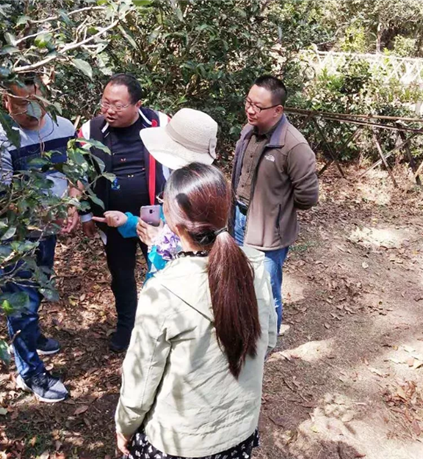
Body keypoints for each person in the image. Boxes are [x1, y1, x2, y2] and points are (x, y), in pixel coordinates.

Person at [115, 163, 277, 458]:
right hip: (239, 430)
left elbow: (141, 381)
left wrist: (125, 425)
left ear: (173, 224)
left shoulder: (164, 289)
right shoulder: (256, 267)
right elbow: (269, 339)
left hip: (180, 441)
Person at [0, 78, 75, 402]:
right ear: (6, 103)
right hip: (15, 237)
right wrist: (43, 214)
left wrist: (72, 203)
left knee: (38, 287)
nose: (32, 110)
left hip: (48, 232)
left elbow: (74, 172)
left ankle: (31, 338)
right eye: (22, 104)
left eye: (37, 101)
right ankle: (30, 371)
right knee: (21, 303)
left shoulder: (64, 127)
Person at [76, 74, 169, 353]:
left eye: (118, 105)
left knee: (161, 269)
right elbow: (80, 173)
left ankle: (160, 327)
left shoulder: (160, 124)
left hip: (154, 218)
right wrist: (84, 214)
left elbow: (178, 164)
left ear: (137, 104)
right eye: (105, 103)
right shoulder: (91, 130)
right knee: (121, 274)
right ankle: (127, 327)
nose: (109, 110)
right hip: (112, 220)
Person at [231, 75, 319, 333]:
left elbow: (308, 196)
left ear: (278, 110)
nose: (250, 110)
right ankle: (244, 332)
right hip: (238, 219)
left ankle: (268, 339)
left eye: (258, 106)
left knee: (267, 290)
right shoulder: (248, 131)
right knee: (240, 280)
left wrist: (277, 210)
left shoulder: (294, 146)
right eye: (248, 102)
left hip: (269, 231)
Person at [92, 107, 218, 278]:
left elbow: (181, 267)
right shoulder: (195, 183)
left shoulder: (194, 195)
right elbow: (167, 224)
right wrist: (129, 221)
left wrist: (158, 243)